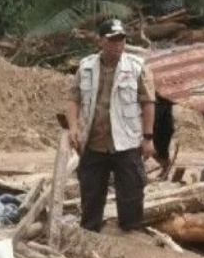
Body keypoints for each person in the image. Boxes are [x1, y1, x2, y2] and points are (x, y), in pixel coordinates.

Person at [66, 18, 156, 232]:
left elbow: (148, 102)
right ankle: (90, 236)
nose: (118, 45)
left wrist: (148, 138)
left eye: (121, 40)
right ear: (100, 42)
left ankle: (131, 237)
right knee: (91, 195)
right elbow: (73, 98)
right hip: (94, 143)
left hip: (126, 142)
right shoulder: (86, 67)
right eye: (113, 40)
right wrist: (73, 127)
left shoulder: (136, 67)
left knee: (132, 194)